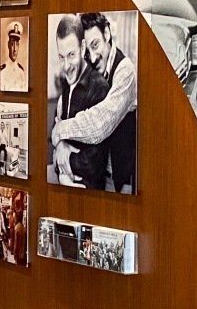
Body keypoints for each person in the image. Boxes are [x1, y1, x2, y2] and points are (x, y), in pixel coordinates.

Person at [49, 12, 137, 192]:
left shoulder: (125, 71)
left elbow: (99, 123)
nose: (93, 56)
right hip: (97, 176)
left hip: (119, 178)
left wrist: (60, 131)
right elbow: (61, 110)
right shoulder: (86, 73)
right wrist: (61, 145)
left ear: (107, 33)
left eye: (95, 45)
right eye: (87, 50)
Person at [0, 21, 29, 92]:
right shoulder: (2, 71)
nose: (15, 49)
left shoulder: (21, 71)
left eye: (17, 44)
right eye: (12, 44)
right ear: (8, 45)